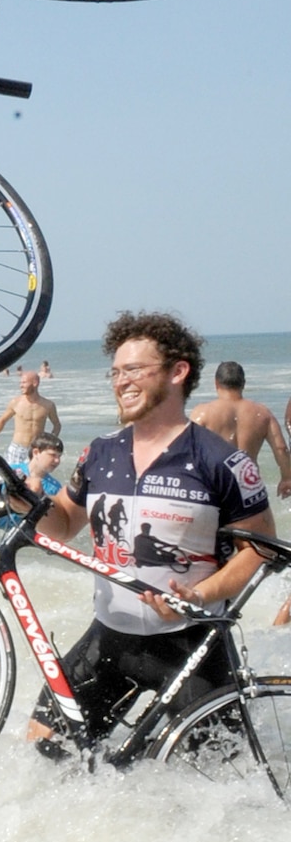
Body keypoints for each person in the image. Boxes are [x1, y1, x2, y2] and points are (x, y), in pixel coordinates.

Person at [24, 312, 275, 753]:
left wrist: (199, 595)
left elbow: (259, 550)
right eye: (116, 372)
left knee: (217, 786)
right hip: (108, 638)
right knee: (43, 748)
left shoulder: (222, 461)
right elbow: (62, 524)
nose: (121, 381)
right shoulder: (100, 453)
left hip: (191, 644)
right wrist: (19, 499)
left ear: (178, 372)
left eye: (135, 370)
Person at [190, 361, 291, 498]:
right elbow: (281, 448)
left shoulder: (203, 413)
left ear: (216, 383)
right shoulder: (262, 413)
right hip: (249, 484)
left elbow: (185, 449)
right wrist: (287, 478)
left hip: (215, 484)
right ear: (243, 383)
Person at [0, 368, 61, 466]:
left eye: (24, 383)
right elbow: (2, 420)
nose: (21, 386)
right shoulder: (16, 402)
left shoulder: (48, 405)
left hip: (36, 449)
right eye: (20, 383)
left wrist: (50, 442)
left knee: (33, 478)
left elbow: (57, 425)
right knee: (13, 478)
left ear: (35, 383)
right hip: (17, 448)